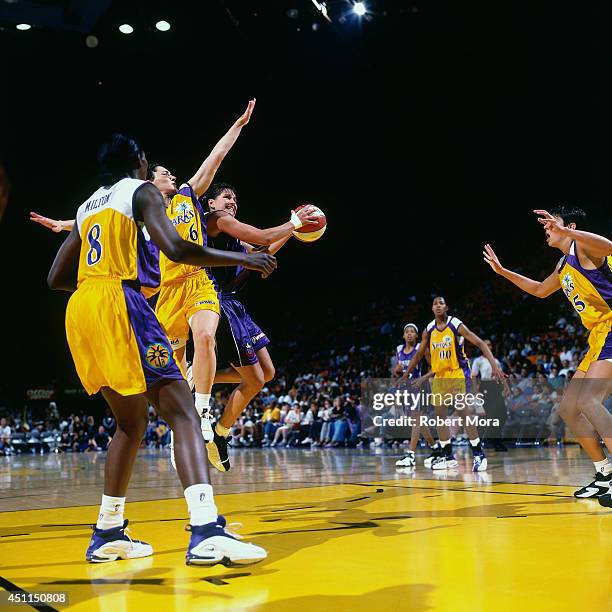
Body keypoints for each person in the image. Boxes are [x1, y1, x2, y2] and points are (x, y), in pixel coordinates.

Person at [47, 132, 275, 564]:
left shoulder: (88, 205)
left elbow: (56, 277)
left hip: (82, 311)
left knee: (130, 425)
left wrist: (98, 287)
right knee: (184, 413)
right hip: (122, 304)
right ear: (138, 161)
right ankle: (207, 530)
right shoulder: (142, 191)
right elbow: (176, 247)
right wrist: (242, 259)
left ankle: (107, 530)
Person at [484, 206, 612, 502]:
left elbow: (608, 246)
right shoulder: (563, 265)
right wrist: (503, 272)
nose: (545, 229)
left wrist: (568, 232)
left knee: (589, 401)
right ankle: (604, 473)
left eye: (551, 225)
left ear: (570, 226)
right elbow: (541, 290)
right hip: (598, 337)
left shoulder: (584, 248)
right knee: (568, 409)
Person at [199, 182, 317, 470]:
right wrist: (293, 222)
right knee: (252, 379)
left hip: (236, 306)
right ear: (211, 203)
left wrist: (292, 230)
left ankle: (200, 376)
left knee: (266, 373)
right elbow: (263, 236)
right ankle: (219, 435)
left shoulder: (234, 237)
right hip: (220, 304)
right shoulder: (215, 222)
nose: (233, 201)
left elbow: (263, 249)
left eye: (236, 198)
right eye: (227, 196)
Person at [401, 296, 506, 471]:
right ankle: (448, 456)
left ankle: (479, 454)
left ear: (446, 307)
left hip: (458, 372)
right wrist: (405, 376)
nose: (438, 306)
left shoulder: (455, 324)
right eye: (435, 303)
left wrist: (495, 367)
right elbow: (419, 355)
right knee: (439, 417)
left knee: (463, 411)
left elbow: (480, 342)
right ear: (432, 309)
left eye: (441, 303)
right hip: (440, 377)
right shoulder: (428, 329)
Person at [393, 323, 436, 468]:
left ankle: (410, 455)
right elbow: (396, 370)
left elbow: (434, 368)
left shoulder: (421, 348)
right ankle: (435, 448)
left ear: (417, 336)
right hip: (405, 388)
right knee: (417, 422)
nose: (409, 334)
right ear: (403, 335)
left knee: (416, 419)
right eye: (407, 332)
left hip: (419, 386)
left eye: (412, 332)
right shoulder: (399, 350)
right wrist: (396, 371)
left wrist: (424, 378)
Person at [471, 339, 508, 451]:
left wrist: (506, 387)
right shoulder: (478, 360)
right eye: (486, 345)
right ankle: (495, 442)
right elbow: (473, 376)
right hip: (485, 386)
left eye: (490, 345)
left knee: (502, 414)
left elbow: (501, 375)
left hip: (495, 386)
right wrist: (476, 391)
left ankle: (495, 439)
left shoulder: (495, 361)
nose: (488, 346)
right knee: (491, 415)